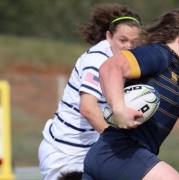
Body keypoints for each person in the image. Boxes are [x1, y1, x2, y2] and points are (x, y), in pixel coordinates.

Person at [83, 8, 179, 180]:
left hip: (114, 157)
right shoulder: (159, 54)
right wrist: (118, 109)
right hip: (119, 152)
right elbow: (110, 67)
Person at [38, 3, 142, 180]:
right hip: (66, 154)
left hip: (91, 150)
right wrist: (118, 141)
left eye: (134, 42)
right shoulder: (97, 61)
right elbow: (87, 108)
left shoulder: (127, 62)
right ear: (109, 37)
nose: (129, 46)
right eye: (123, 40)